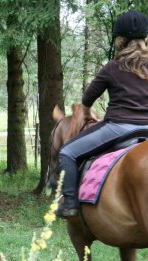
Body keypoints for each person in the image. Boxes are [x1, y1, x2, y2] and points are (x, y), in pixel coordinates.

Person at [56, 10, 148, 218]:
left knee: (67, 153)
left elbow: (87, 100)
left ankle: (70, 203)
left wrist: (88, 114)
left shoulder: (112, 67)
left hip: (119, 128)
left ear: (120, 41)